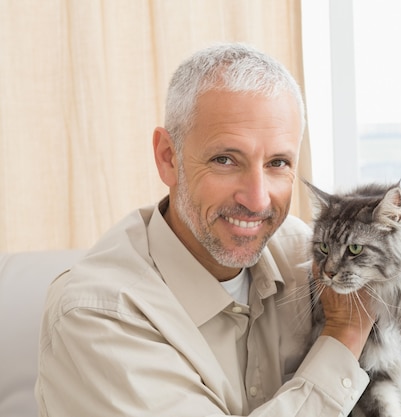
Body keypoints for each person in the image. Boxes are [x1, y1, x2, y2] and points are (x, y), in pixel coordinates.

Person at [35, 43, 375, 417]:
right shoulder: (97, 314)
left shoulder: (306, 255)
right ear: (168, 157)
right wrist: (345, 333)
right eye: (225, 159)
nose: (258, 200)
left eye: (278, 162)